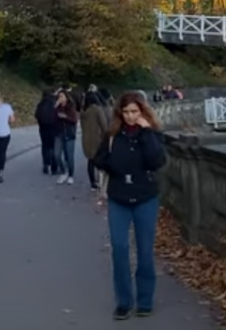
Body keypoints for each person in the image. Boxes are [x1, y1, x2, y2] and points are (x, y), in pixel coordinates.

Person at [93, 91, 167, 320]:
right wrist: (116, 167)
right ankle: (124, 301)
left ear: (143, 111)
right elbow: (99, 158)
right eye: (126, 112)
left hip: (145, 197)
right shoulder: (114, 134)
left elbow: (157, 161)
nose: (130, 116)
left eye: (134, 111)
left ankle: (145, 300)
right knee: (120, 248)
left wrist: (145, 132)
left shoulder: (152, 134)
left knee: (145, 251)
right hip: (119, 197)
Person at [80, 91, 110, 191]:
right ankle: (101, 182)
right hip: (97, 139)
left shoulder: (83, 111)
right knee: (100, 160)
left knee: (90, 162)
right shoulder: (97, 110)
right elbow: (104, 125)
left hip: (86, 140)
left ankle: (92, 183)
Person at [53, 89, 79, 185]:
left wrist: (65, 117)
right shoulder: (57, 108)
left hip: (69, 134)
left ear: (66, 98)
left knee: (69, 156)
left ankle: (71, 175)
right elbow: (52, 118)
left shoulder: (70, 107)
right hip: (59, 134)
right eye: (59, 96)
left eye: (62, 96)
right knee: (57, 155)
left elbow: (74, 120)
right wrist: (55, 107)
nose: (60, 98)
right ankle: (64, 172)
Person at [34, 90, 60, 174]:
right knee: (54, 147)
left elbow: (36, 115)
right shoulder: (55, 103)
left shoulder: (40, 104)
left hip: (43, 128)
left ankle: (46, 164)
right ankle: (54, 167)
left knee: (45, 147)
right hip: (54, 128)